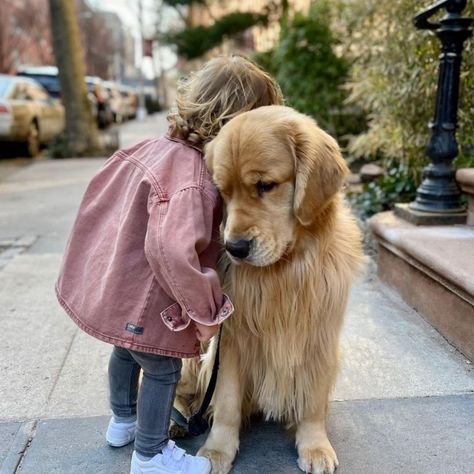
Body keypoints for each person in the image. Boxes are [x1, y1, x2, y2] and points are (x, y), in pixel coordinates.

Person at [55, 55, 283, 474]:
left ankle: (121, 421)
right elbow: (173, 253)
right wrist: (206, 311)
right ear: (240, 120)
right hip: (150, 297)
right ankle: (151, 454)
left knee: (125, 352)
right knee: (161, 370)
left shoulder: (150, 149)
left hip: (120, 287)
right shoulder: (193, 178)